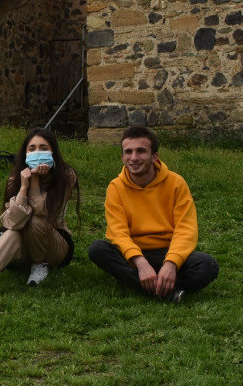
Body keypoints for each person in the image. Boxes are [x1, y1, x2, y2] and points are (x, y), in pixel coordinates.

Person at [87, 126, 219, 303]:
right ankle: (166, 291)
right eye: (128, 152)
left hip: (167, 250)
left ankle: (144, 285)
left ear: (154, 156)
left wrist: (171, 263)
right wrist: (141, 264)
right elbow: (118, 232)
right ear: (122, 157)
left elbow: (186, 229)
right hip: (134, 253)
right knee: (98, 249)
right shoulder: (115, 187)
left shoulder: (176, 183)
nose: (134, 158)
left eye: (141, 151)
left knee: (208, 265)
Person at [0, 129, 78, 306]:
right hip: (22, 244)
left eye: (43, 148)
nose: (37, 152)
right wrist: (23, 188)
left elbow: (43, 212)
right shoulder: (16, 178)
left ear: (53, 151)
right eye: (32, 149)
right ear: (25, 153)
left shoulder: (66, 176)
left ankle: (40, 265)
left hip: (54, 246)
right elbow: (12, 222)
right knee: (15, 231)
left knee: (35, 221)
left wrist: (36, 181)